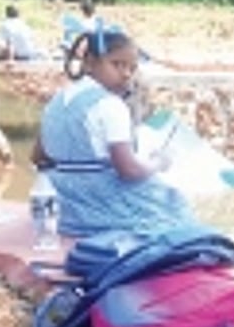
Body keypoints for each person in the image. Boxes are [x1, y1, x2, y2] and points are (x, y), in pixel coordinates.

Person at [32, 27, 198, 237]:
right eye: (117, 64)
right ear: (90, 62)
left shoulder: (56, 101)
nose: (126, 74)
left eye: (132, 68)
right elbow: (128, 171)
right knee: (174, 201)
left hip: (62, 210)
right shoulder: (110, 105)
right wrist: (158, 163)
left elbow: (38, 157)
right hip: (98, 206)